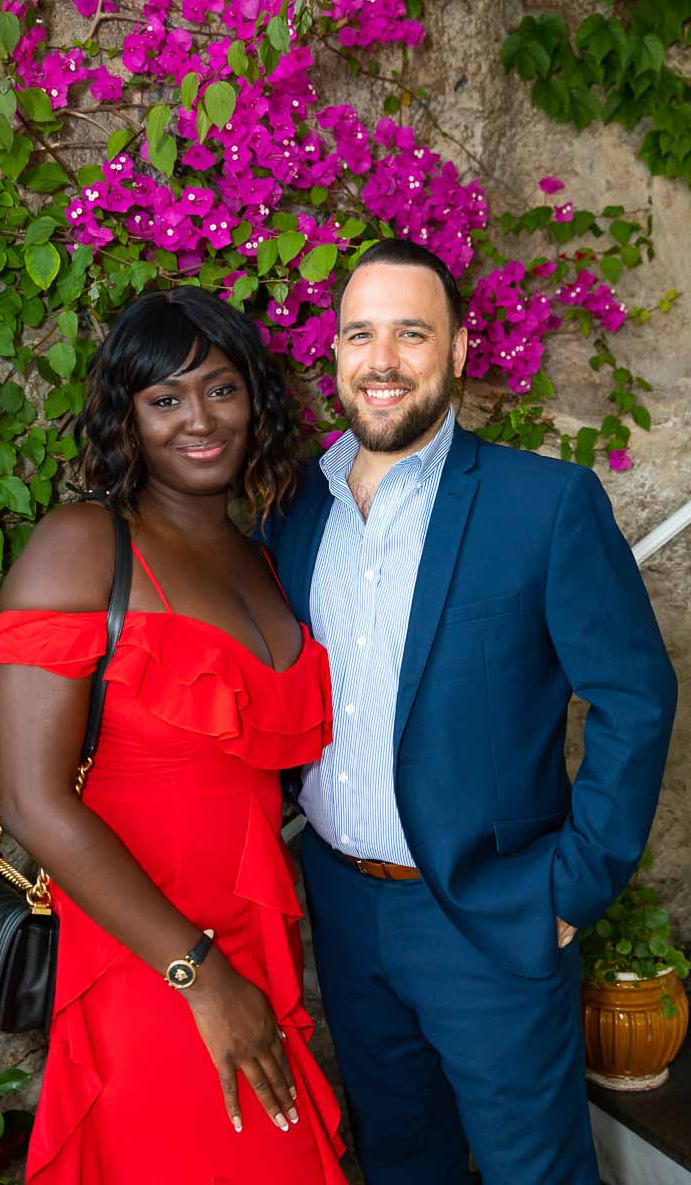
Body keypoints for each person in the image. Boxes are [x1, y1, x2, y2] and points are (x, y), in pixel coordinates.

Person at [263, 238, 678, 1185]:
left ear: (456, 351)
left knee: (535, 1172)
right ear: (332, 357)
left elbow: (635, 695)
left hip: (492, 916)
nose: (383, 360)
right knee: (403, 1162)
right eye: (360, 335)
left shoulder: (544, 504)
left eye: (412, 333)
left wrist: (570, 890)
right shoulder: (292, 512)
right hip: (345, 905)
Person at [0, 287, 347, 1185]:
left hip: (257, 936)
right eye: (165, 398)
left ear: (256, 397)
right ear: (126, 416)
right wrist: (200, 974)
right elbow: (33, 801)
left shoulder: (260, 556)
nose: (199, 420)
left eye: (220, 388)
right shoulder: (82, 545)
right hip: (149, 953)